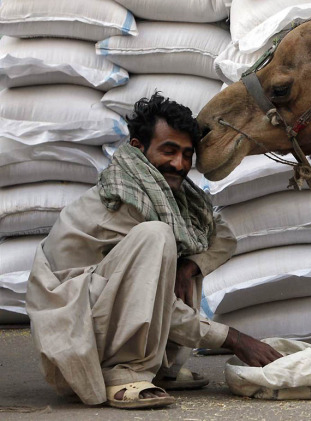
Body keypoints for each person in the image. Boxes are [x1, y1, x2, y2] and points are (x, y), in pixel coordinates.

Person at [26, 92, 282, 409]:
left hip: (101, 309)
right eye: (169, 151)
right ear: (139, 148)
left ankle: (160, 366)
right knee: (158, 237)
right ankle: (121, 372)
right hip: (74, 329)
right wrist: (232, 339)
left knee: (191, 246)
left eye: (187, 154)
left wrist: (188, 268)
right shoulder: (124, 202)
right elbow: (151, 297)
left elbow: (222, 236)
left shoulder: (165, 193)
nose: (180, 164)